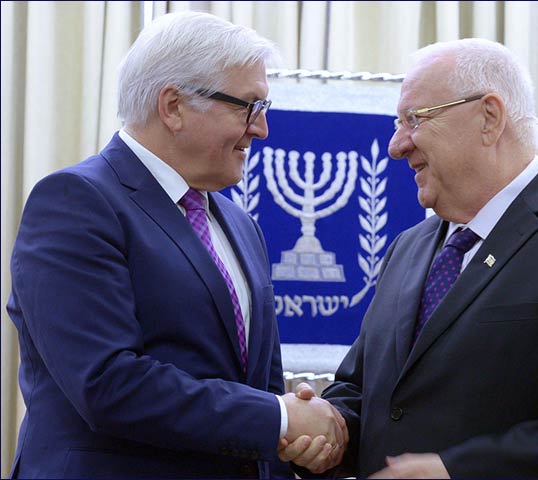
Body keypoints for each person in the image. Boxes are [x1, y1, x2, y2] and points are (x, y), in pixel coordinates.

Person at [6, 11, 347, 479]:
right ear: (174, 106)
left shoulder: (239, 223)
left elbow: (256, 385)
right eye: (248, 106)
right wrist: (282, 419)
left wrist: (297, 440)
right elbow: (109, 383)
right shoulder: (75, 202)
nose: (261, 129)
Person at [279, 38, 538, 478]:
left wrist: (458, 471)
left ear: (489, 118)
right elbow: (368, 391)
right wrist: (326, 432)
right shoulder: (408, 247)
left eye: (414, 119)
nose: (396, 145)